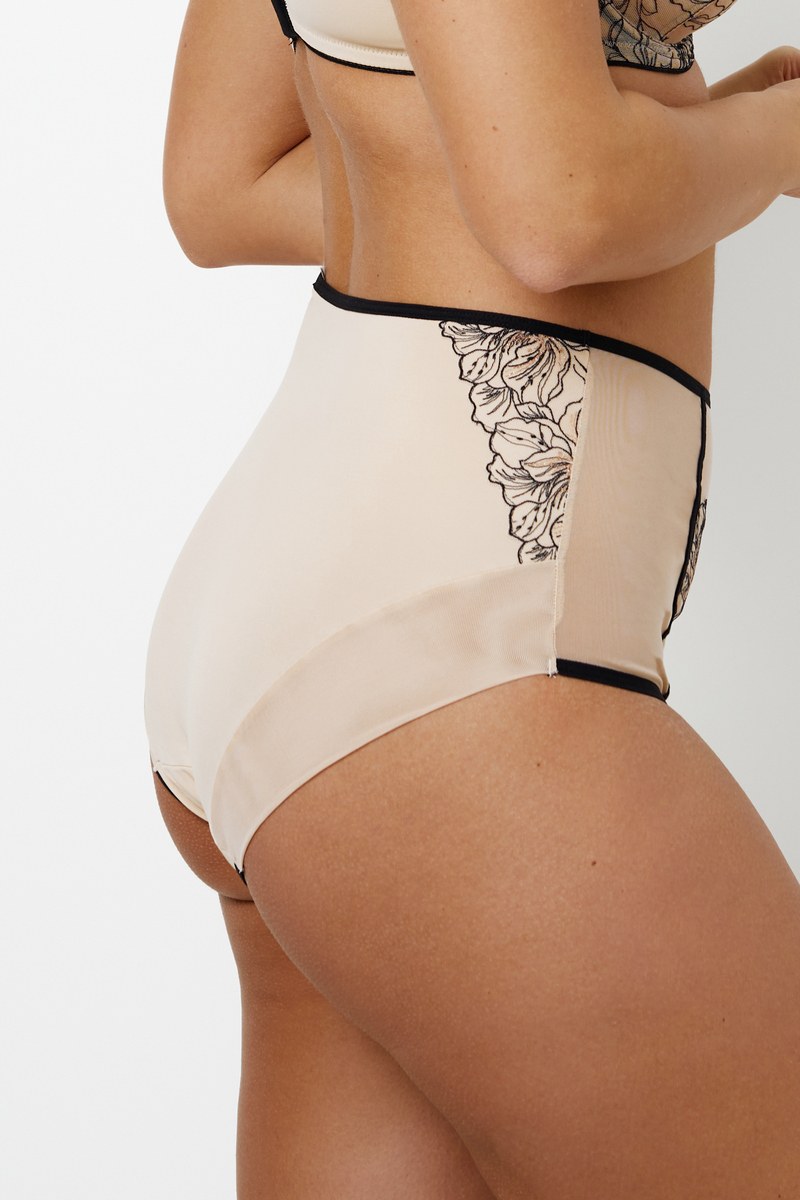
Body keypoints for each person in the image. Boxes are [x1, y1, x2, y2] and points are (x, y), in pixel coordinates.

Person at [143, 2, 800, 1195]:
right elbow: (561, 206)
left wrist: (671, 137)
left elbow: (223, 182)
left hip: (313, 612)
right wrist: (772, 141)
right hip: (458, 644)